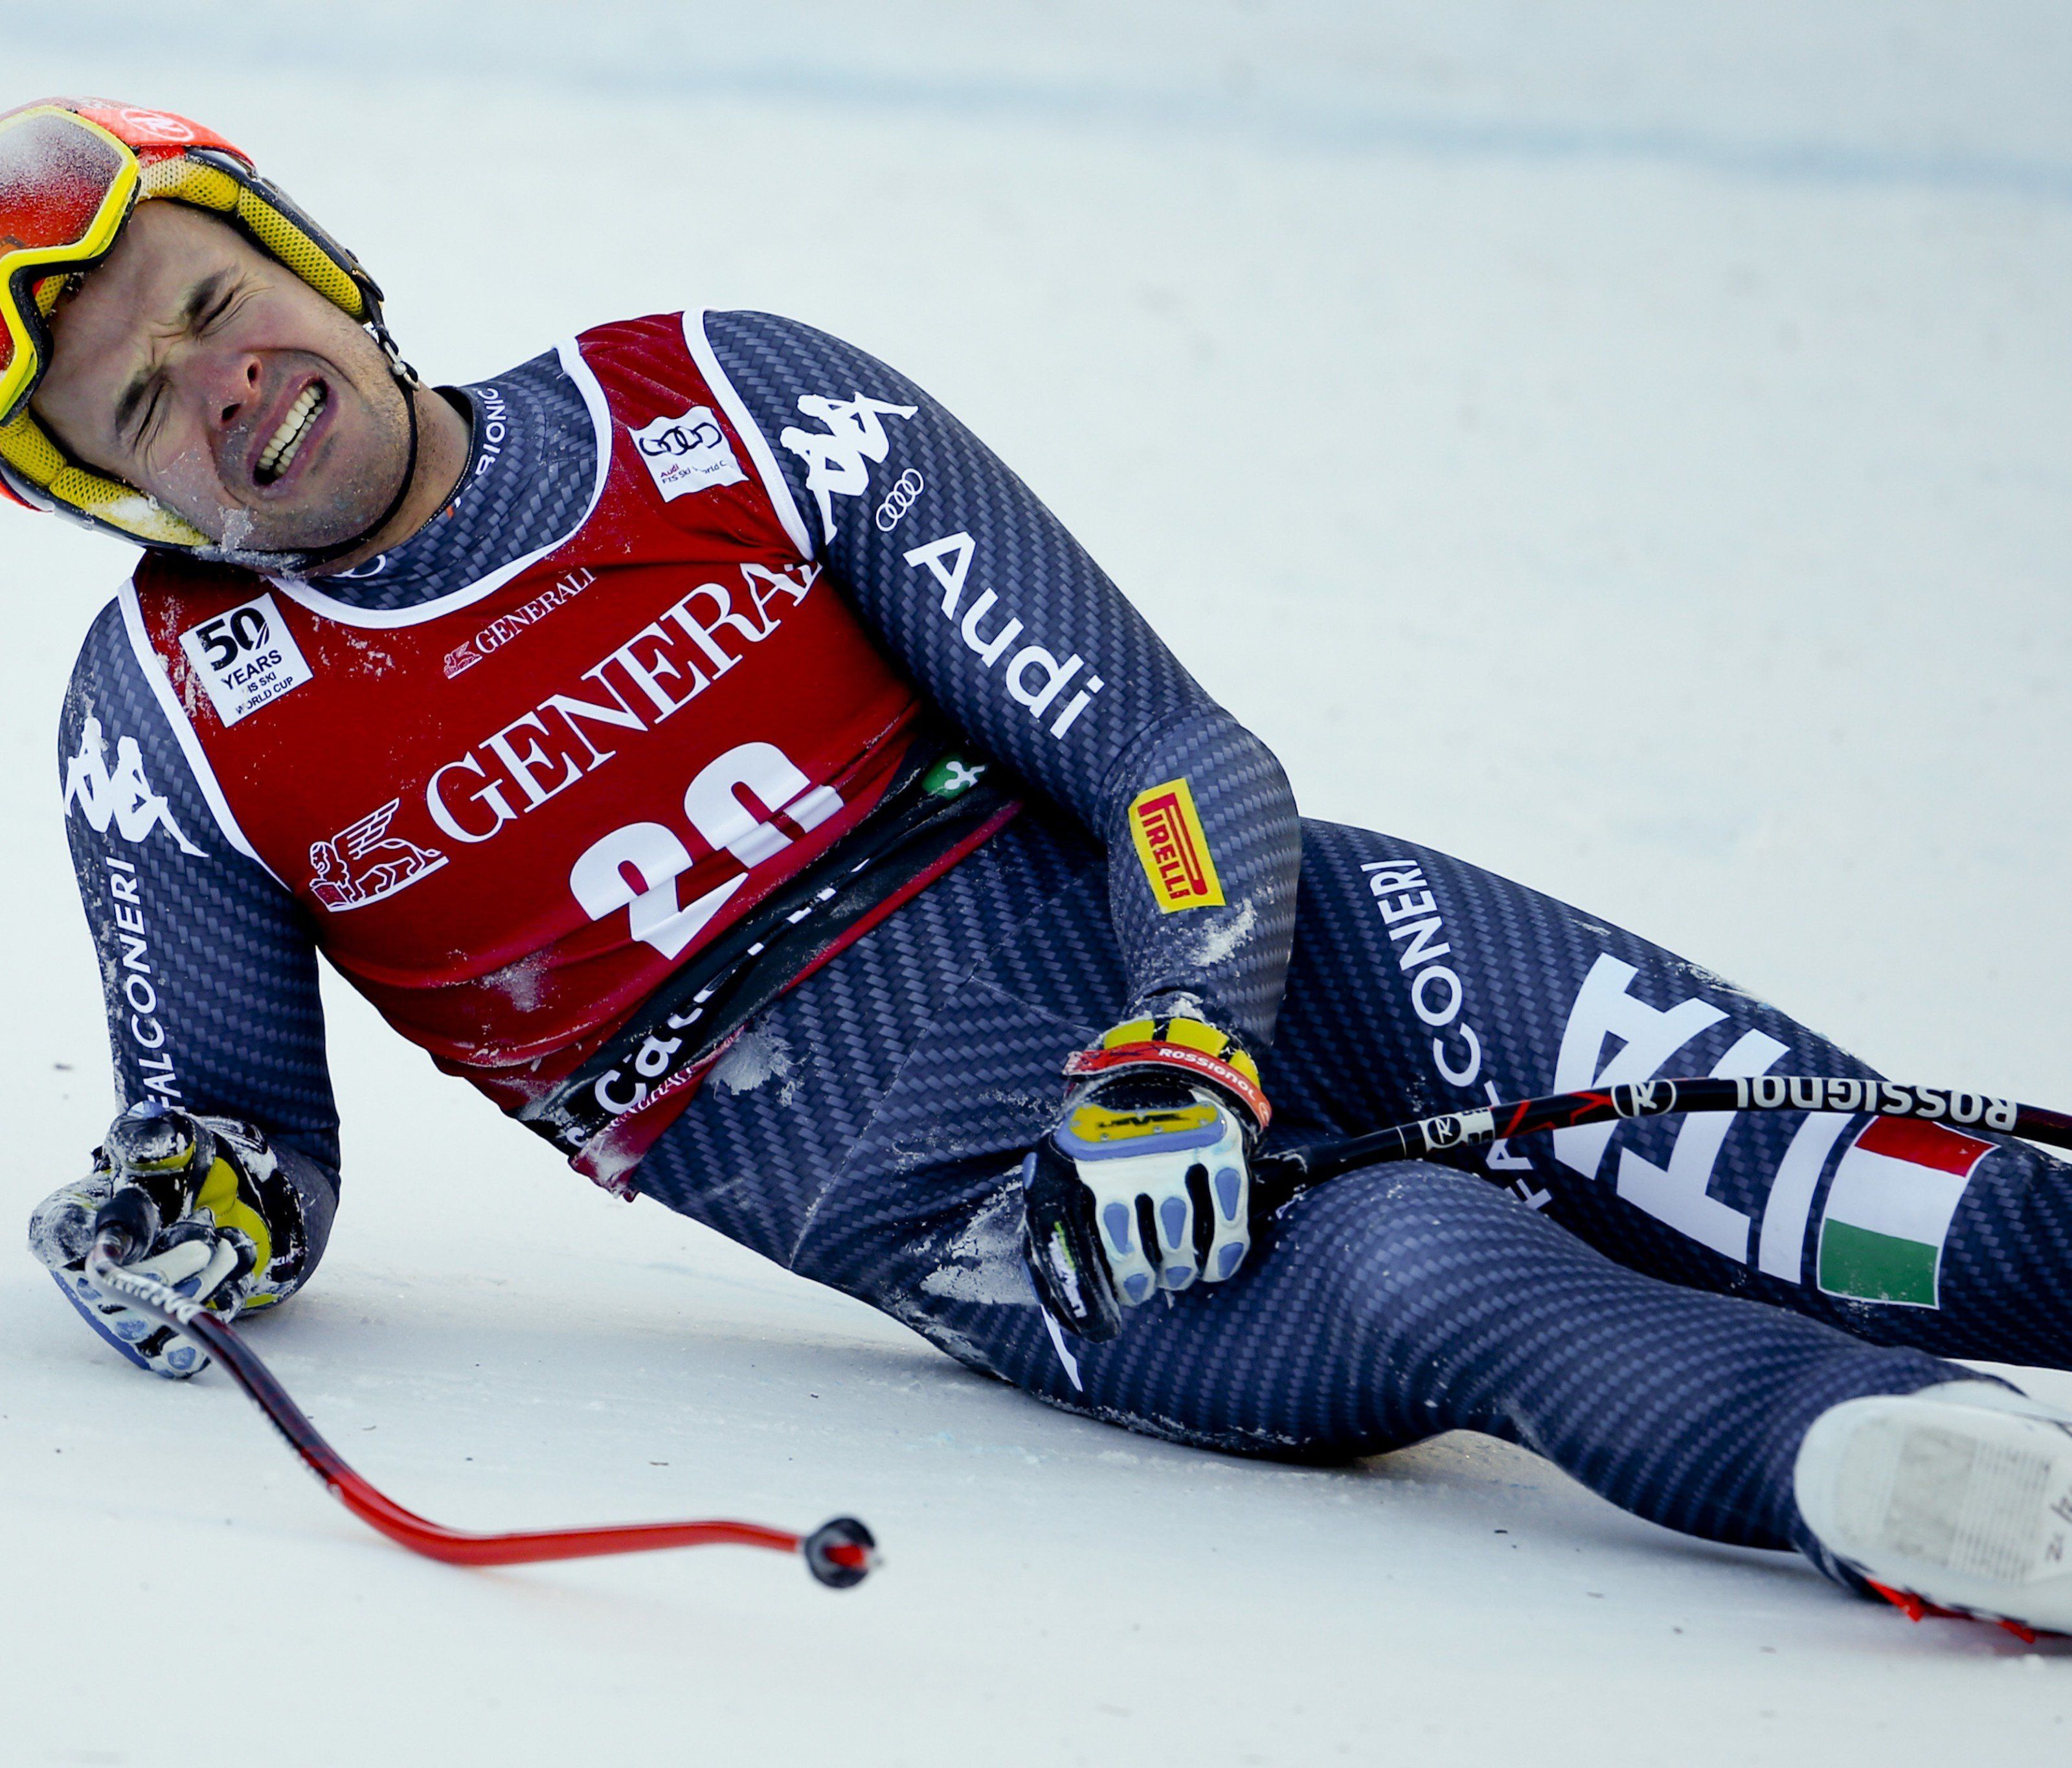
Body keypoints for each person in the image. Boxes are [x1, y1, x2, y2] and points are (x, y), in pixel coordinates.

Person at [11, 95, 2072, 1636]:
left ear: (306, 250)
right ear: (113, 494)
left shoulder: (724, 400)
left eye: (215, 300)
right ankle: (1933, 1487)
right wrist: (183, 1207)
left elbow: (1164, 754)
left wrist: (1181, 1027)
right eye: (143, 407)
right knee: (1441, 1267)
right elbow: (238, 1141)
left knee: (1876, 1190)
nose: (228, 387)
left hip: (1255, 950)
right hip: (991, 1209)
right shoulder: (176, 723)